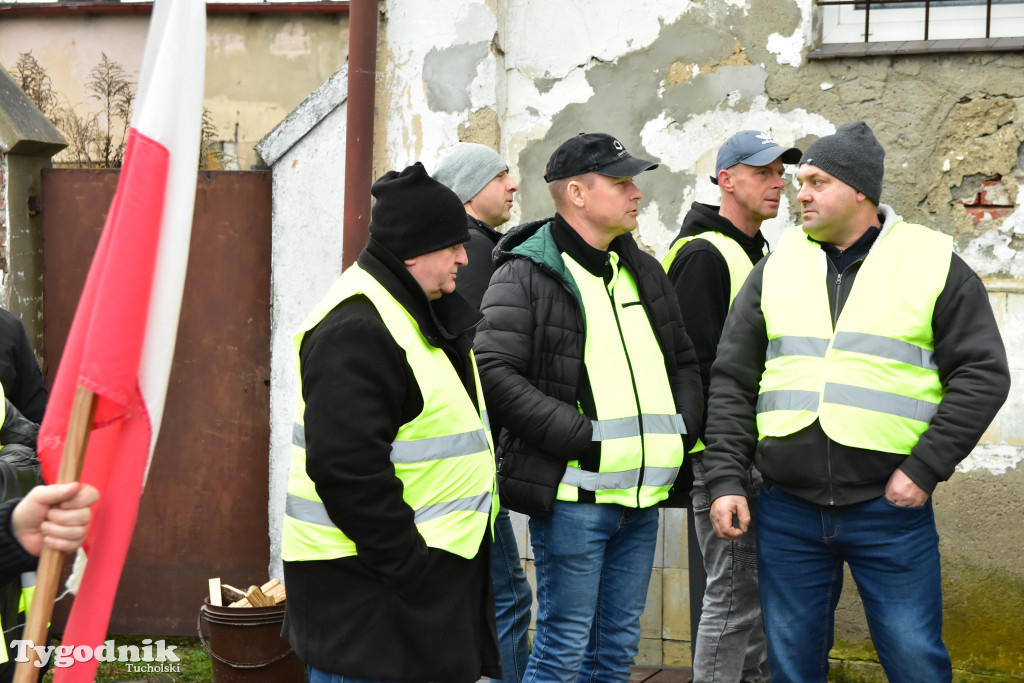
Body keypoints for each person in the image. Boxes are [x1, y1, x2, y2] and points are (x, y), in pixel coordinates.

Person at [702, 121, 1011, 682]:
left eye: (817, 181)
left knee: (916, 661)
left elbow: (983, 375)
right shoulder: (778, 267)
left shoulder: (932, 262)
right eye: (801, 182)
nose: (801, 193)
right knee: (793, 669)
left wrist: (924, 470)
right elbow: (732, 379)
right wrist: (725, 477)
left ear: (860, 190)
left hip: (889, 510)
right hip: (787, 510)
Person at [475, 132, 703, 683]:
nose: (636, 194)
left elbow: (685, 363)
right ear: (577, 192)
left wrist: (679, 432)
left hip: (642, 497)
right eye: (621, 182)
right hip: (577, 498)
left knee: (617, 650)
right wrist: (580, 437)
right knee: (562, 648)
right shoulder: (525, 272)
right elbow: (493, 372)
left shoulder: (642, 270)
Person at [280, 162, 500, 683]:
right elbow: (347, 470)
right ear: (415, 251)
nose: (465, 259)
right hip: (372, 598)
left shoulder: (411, 307)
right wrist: (413, 571)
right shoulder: (357, 325)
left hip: (406, 593)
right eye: (454, 247)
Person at [662, 129, 801, 683]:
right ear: (727, 179)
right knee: (733, 598)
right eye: (764, 172)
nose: (779, 184)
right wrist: (720, 467)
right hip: (723, 459)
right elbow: (696, 368)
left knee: (753, 598)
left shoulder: (754, 250)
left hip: (751, 452)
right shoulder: (703, 255)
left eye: (781, 173)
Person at [434, 143, 531, 683]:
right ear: (471, 189)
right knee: (508, 599)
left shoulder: (480, 247)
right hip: (468, 467)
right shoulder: (472, 255)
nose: (512, 185)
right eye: (500, 176)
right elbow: (481, 362)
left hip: (468, 464)